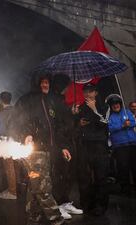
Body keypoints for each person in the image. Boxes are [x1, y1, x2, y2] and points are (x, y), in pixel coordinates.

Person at [15, 74, 68, 225]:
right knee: (43, 185)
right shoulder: (28, 100)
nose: (46, 85)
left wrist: (62, 147)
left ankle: (33, 215)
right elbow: (20, 119)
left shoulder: (49, 101)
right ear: (37, 84)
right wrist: (26, 134)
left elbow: (55, 128)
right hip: (35, 151)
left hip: (47, 150)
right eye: (43, 82)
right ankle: (56, 218)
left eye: (47, 82)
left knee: (36, 183)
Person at [50, 74, 83, 219]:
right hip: (60, 144)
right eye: (66, 84)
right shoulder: (53, 100)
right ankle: (57, 205)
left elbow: (68, 122)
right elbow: (56, 126)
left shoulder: (63, 101)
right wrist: (62, 146)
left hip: (70, 141)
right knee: (60, 174)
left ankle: (65, 202)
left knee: (69, 174)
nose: (68, 87)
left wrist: (73, 114)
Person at [76, 83, 110, 216]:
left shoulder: (104, 106)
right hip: (85, 145)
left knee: (101, 176)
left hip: (100, 145)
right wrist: (77, 120)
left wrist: (95, 109)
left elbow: (105, 123)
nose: (87, 94)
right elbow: (76, 126)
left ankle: (100, 205)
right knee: (84, 176)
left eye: (90, 91)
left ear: (95, 93)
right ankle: (86, 204)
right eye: (85, 91)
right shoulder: (81, 107)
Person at [106, 94, 136, 193]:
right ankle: (125, 188)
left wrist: (129, 123)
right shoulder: (109, 117)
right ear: (111, 106)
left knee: (134, 165)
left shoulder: (127, 112)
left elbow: (133, 122)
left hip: (132, 143)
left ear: (120, 104)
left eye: (117, 103)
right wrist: (122, 125)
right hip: (120, 146)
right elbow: (110, 128)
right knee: (123, 167)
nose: (116, 105)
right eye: (113, 104)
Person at [0, 91, 18, 200]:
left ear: (1, 100)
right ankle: (13, 188)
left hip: (7, 142)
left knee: (9, 167)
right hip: (17, 141)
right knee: (15, 167)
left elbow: (0, 130)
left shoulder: (3, 113)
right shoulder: (16, 110)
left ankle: (12, 192)